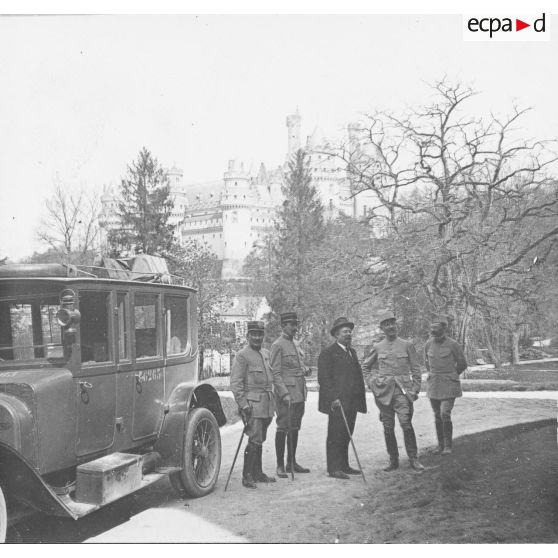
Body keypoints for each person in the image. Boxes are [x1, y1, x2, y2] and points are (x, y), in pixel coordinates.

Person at [230, 321, 291, 489]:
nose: (257, 337)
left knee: (260, 439)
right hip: (252, 405)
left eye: (260, 334)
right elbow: (236, 383)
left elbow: (273, 376)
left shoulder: (265, 353)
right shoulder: (242, 355)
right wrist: (244, 405)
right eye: (254, 334)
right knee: (254, 438)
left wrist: (283, 393)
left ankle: (258, 473)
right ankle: (247, 475)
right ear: (248, 336)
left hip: (267, 403)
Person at [363, 310, 424, 472]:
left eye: (392, 323)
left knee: (405, 423)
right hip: (383, 393)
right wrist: (371, 382)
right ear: (381, 328)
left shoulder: (407, 345)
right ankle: (393, 460)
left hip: (403, 391)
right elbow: (365, 367)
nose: (391, 326)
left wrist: (415, 389)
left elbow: (416, 369)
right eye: (386, 324)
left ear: (396, 325)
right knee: (388, 427)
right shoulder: (377, 347)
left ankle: (413, 458)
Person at [317, 317, 367, 480]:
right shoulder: (328, 353)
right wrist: (333, 398)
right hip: (337, 402)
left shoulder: (351, 352)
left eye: (350, 331)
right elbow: (324, 379)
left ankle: (344, 465)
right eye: (345, 332)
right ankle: (334, 468)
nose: (349, 334)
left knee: (347, 433)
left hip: (352, 401)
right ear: (336, 335)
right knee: (335, 434)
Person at [271, 312, 310, 478]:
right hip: (285, 395)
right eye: (291, 324)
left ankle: (291, 462)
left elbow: (297, 367)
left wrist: (305, 370)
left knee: (295, 427)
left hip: (299, 393)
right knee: (283, 428)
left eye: (296, 324)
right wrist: (284, 393)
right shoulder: (277, 345)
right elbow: (275, 373)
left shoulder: (295, 343)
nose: (295, 327)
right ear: (283, 326)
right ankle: (280, 465)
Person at [424, 315, 468, 455]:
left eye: (436, 327)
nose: (433, 330)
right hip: (434, 384)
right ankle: (440, 445)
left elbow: (462, 363)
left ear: (444, 328)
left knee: (444, 413)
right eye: (432, 327)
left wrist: (452, 375)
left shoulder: (453, 344)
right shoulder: (428, 344)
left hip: (449, 384)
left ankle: (448, 446)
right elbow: (427, 363)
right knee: (437, 415)